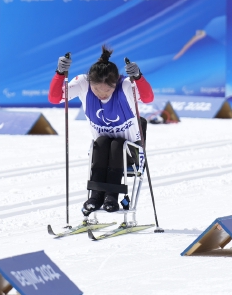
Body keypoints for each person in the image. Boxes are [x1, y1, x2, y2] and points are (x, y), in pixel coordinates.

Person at [48, 46, 154, 215]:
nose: (101, 95)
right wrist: (60, 73)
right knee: (102, 142)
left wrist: (138, 77)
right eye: (97, 90)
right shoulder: (83, 83)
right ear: (90, 82)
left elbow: (148, 98)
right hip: (102, 152)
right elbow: (54, 98)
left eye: (107, 90)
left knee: (117, 144)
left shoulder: (126, 85)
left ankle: (111, 196)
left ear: (116, 83)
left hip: (131, 152)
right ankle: (95, 197)